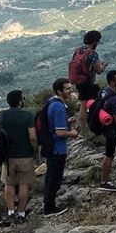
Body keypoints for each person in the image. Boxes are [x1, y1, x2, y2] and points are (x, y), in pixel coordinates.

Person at [0, 90, 37, 225]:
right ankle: (21, 213)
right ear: (20, 101)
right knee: (24, 184)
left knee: (8, 184)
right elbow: (32, 136)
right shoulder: (28, 116)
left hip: (7, 158)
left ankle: (10, 212)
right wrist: (35, 150)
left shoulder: (1, 115)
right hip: (25, 155)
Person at [43, 78, 78, 217]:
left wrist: (65, 121)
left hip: (51, 146)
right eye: (67, 89)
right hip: (57, 148)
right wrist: (72, 133)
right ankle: (50, 208)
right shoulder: (59, 107)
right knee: (55, 178)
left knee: (50, 176)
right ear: (59, 91)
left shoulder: (52, 102)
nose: (70, 91)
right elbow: (60, 132)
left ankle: (47, 203)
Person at [70, 30, 107, 131]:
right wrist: (103, 67)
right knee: (99, 102)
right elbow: (98, 71)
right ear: (94, 41)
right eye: (98, 41)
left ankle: (83, 130)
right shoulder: (92, 54)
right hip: (89, 83)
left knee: (83, 105)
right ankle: (98, 126)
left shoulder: (78, 50)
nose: (98, 44)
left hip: (79, 82)